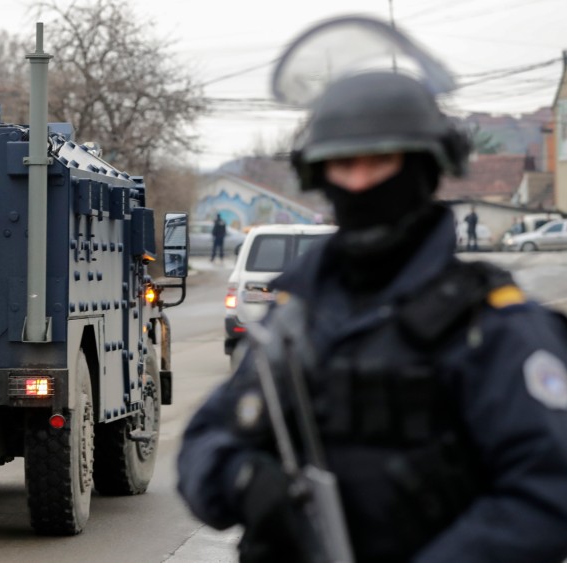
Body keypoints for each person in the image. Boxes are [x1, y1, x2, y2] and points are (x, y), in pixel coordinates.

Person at [177, 70, 567, 562]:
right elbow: (202, 444)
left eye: (380, 161)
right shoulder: (296, 318)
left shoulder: (493, 326)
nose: (359, 182)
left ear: (424, 168)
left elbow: (549, 495)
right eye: (342, 165)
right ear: (320, 175)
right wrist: (242, 478)